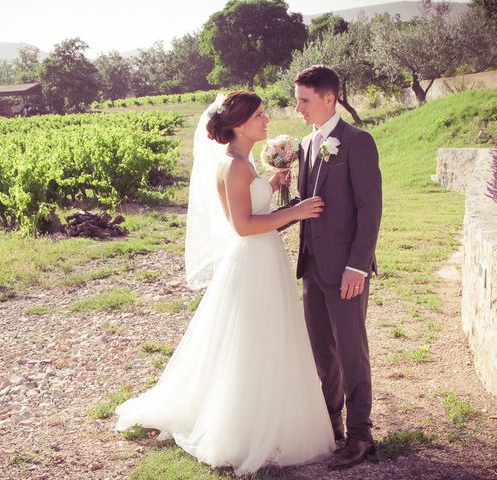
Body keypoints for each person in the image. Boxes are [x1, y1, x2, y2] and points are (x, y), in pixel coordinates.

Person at [115, 91, 334, 475]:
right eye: (260, 116)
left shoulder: (243, 162)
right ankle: (243, 429)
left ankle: (271, 416)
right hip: (253, 261)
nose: (267, 121)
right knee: (251, 342)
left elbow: (250, 206)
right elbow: (245, 226)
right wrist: (294, 212)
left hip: (264, 260)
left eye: (265, 114)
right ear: (237, 124)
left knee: (267, 339)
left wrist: (270, 183)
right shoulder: (232, 165)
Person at [293, 65, 383, 470]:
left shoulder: (357, 142)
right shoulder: (306, 144)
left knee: (351, 351)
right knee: (322, 352)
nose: (298, 107)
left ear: (329, 98)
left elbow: (370, 211)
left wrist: (357, 268)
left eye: (305, 99)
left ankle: (362, 435)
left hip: (346, 270)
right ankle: (333, 426)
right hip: (312, 265)